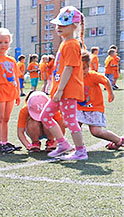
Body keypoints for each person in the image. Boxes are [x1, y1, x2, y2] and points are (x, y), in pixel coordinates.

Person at [42, 6, 88, 160]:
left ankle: (81, 151)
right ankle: (63, 143)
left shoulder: (72, 44)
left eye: (63, 24)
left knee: (70, 120)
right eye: (58, 24)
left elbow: (69, 68)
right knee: (46, 115)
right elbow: (60, 70)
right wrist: (54, 88)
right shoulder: (65, 44)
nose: (59, 27)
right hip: (59, 90)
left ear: (74, 26)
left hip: (67, 91)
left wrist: (60, 90)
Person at [78, 50, 123, 149]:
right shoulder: (73, 77)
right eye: (78, 69)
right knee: (75, 126)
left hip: (94, 107)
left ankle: (119, 140)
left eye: (84, 68)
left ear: (88, 66)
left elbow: (106, 80)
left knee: (96, 132)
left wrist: (110, 93)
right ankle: (79, 147)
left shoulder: (92, 75)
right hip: (79, 107)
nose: (82, 72)